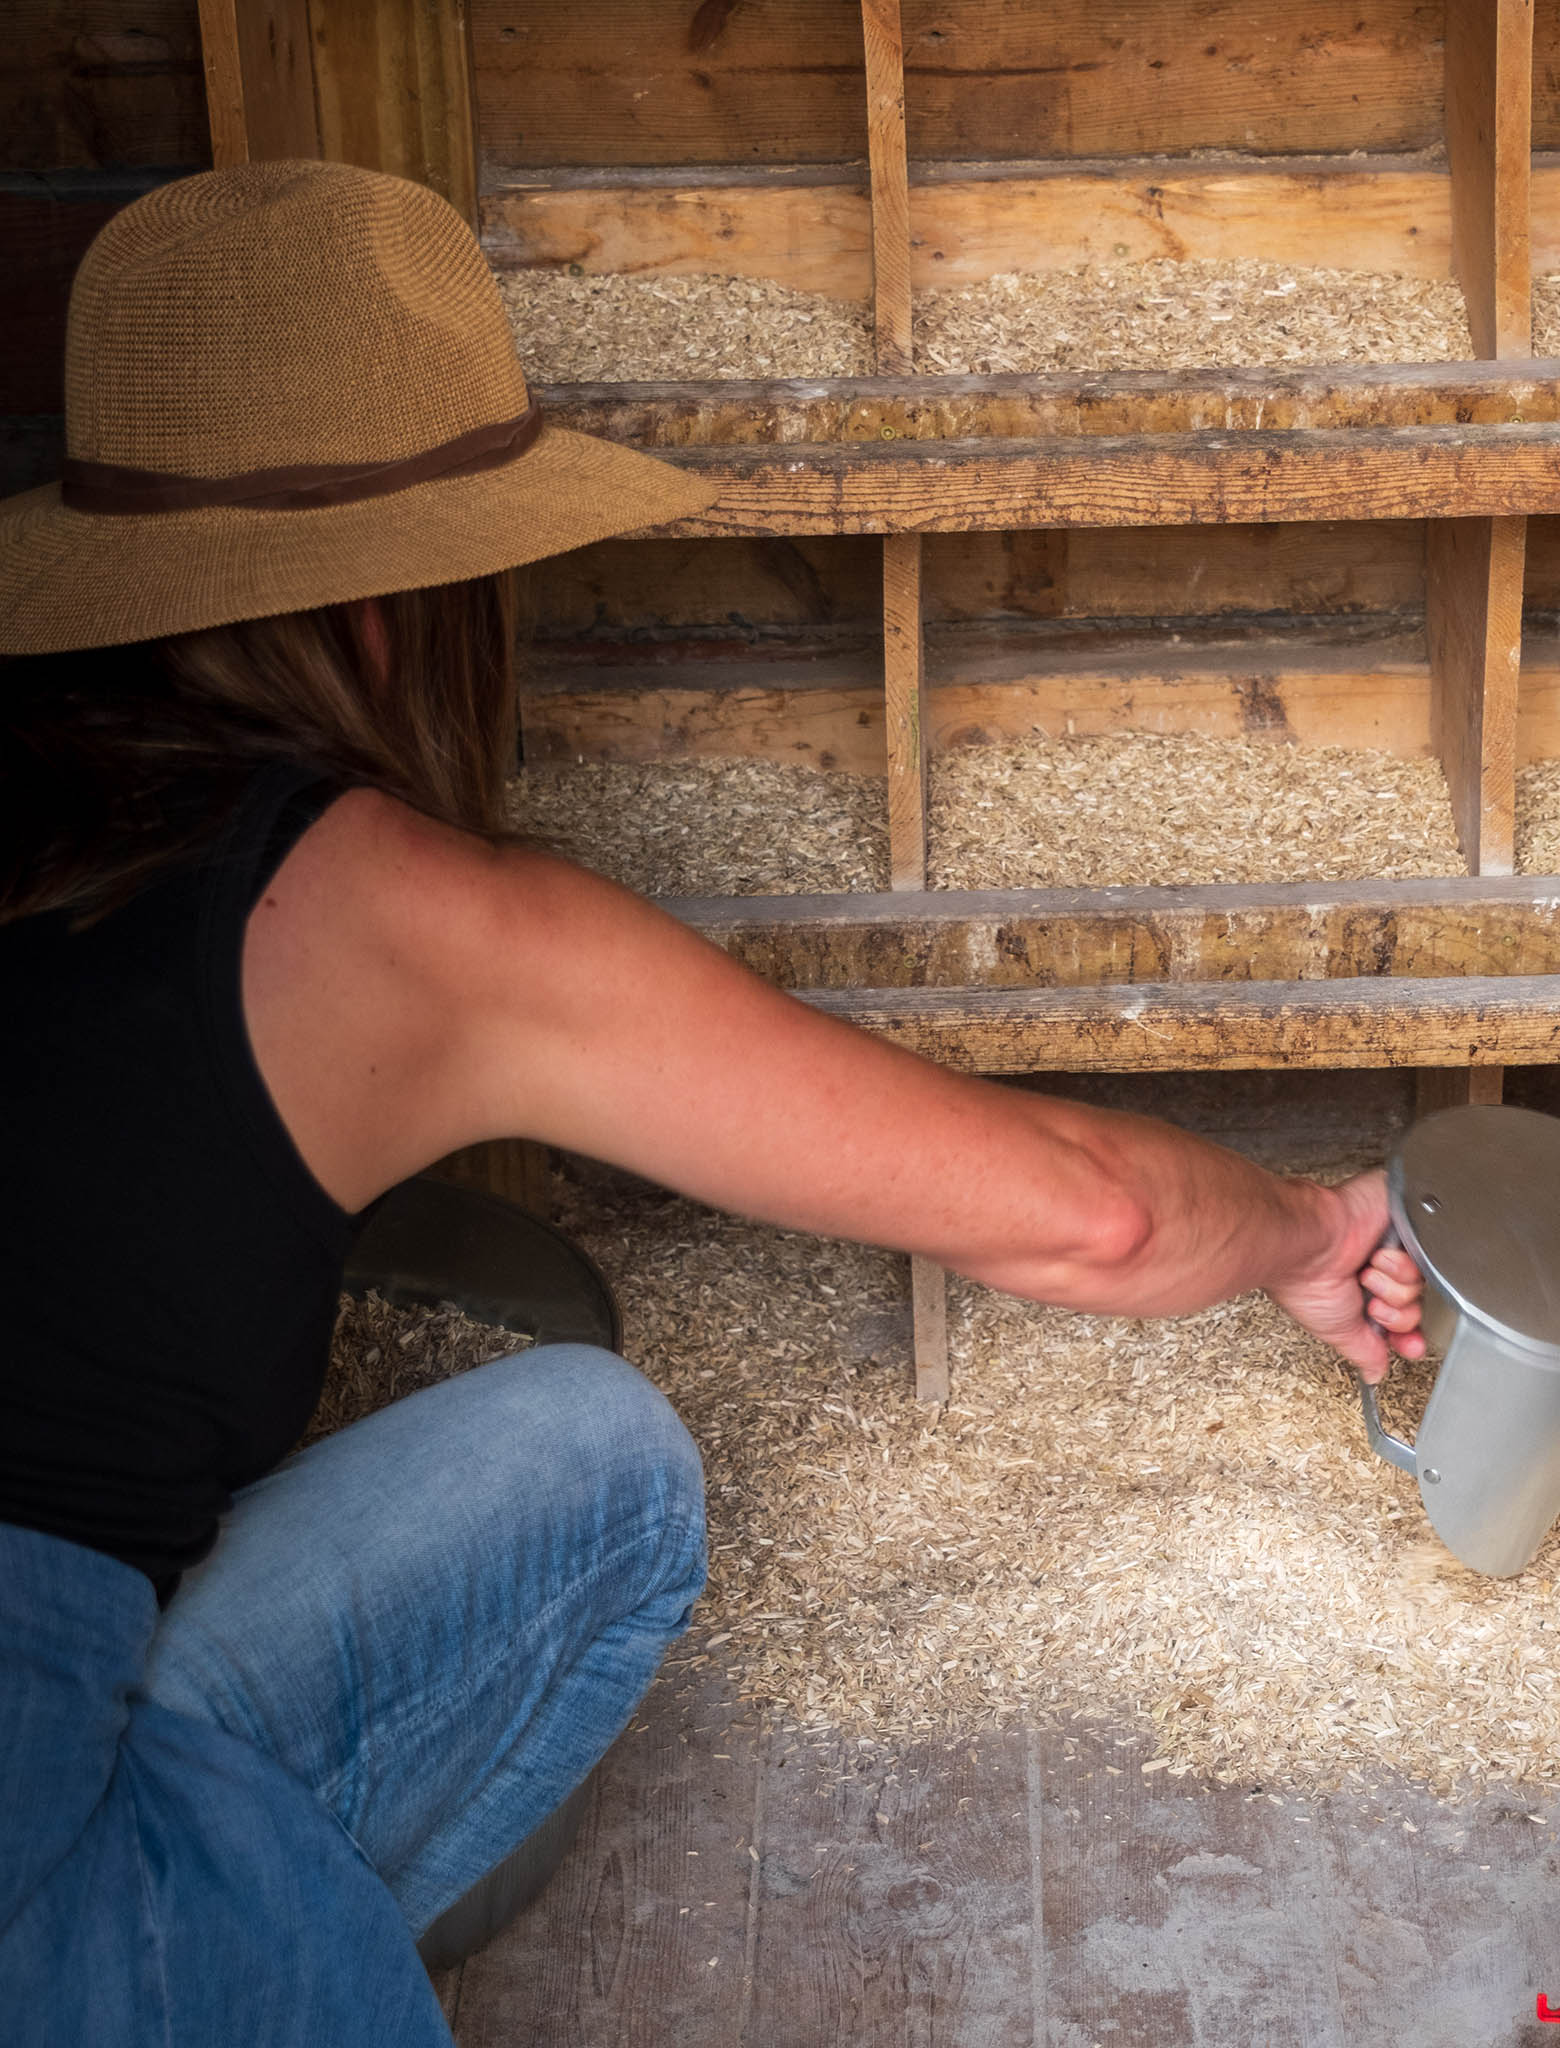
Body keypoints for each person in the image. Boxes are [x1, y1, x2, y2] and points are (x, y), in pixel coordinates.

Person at [0, 162, 1425, 2047]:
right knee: (603, 1499)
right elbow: (1088, 1210)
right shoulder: (403, 923)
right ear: (404, 610)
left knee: (580, 1445)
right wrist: (1316, 1230)